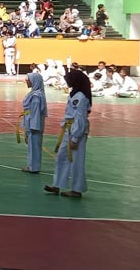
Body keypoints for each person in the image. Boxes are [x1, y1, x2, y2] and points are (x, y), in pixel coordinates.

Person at [45, 70, 92, 198]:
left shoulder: (81, 97)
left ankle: (77, 190)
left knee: (77, 161)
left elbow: (81, 119)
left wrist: (75, 138)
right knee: (61, 156)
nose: (66, 81)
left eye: (69, 79)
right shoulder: (74, 94)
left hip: (77, 131)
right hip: (69, 129)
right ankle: (57, 185)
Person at [19, 73, 47, 173]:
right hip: (30, 122)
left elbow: (35, 114)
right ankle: (31, 165)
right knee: (32, 145)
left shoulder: (36, 96)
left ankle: (33, 167)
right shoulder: (35, 93)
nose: (26, 81)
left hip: (34, 125)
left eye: (29, 80)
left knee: (34, 145)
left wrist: (32, 127)